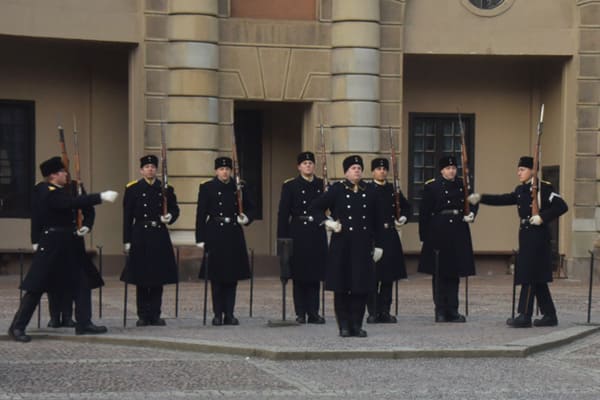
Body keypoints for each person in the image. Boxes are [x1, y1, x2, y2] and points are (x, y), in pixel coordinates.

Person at [8, 156, 117, 342]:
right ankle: (17, 327)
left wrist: (85, 224)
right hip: (53, 244)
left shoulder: (62, 190)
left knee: (81, 283)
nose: (66, 174)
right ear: (52, 175)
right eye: (62, 172)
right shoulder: (46, 191)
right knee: (36, 287)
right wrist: (100, 197)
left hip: (69, 243)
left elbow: (76, 206)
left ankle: (84, 323)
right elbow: (68, 204)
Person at [468, 156, 568, 328]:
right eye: (518, 169)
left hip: (538, 236)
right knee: (537, 278)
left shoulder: (544, 188)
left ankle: (524, 315)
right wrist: (481, 198)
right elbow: (504, 199)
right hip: (526, 235)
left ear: (532, 171)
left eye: (522, 169)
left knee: (529, 275)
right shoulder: (521, 190)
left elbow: (562, 206)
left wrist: (542, 217)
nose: (519, 173)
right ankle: (550, 315)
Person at [310, 155, 383, 338]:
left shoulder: (370, 191)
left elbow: (378, 220)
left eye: (359, 167)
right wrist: (328, 223)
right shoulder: (337, 190)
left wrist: (379, 245)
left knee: (360, 287)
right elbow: (315, 207)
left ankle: (357, 325)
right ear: (345, 172)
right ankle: (343, 325)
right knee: (342, 287)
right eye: (352, 168)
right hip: (342, 244)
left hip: (363, 244)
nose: (356, 170)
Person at [121, 155, 179, 327]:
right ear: (141, 170)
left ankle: (155, 313)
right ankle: (143, 315)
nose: (150, 169)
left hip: (158, 234)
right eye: (147, 167)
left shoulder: (165, 188)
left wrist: (171, 216)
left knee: (157, 277)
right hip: (140, 235)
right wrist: (127, 240)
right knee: (141, 278)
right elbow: (127, 217)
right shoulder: (133, 189)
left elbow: (175, 209)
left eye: (153, 167)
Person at [195, 157, 254, 326]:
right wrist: (200, 238)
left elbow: (251, 207)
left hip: (233, 232)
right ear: (216, 171)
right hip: (214, 233)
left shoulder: (239, 187)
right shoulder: (207, 187)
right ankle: (217, 314)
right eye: (221, 169)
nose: (225, 172)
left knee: (231, 276)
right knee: (216, 277)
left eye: (227, 169)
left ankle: (229, 313)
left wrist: (246, 218)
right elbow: (200, 214)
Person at [418, 155, 476, 323]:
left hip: (458, 229)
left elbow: (473, 200)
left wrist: (471, 213)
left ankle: (453, 310)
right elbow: (424, 213)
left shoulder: (462, 185)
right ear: (442, 170)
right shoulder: (432, 187)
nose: (451, 171)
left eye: (453, 168)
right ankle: (440, 310)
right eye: (448, 168)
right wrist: (424, 237)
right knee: (439, 273)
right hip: (438, 230)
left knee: (454, 273)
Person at [276, 151, 328, 324]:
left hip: (316, 231)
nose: (308, 166)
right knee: (298, 275)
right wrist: (282, 240)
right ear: (299, 167)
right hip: (297, 232)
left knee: (314, 275)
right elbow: (283, 214)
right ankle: (300, 312)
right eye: (304, 163)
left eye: (311, 163)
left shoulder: (322, 184)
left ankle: (313, 312)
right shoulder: (290, 186)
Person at [367, 158, 411, 324]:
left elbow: (406, 207)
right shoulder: (368, 189)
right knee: (372, 277)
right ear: (373, 172)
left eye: (384, 169)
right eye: (378, 169)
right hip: (374, 236)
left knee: (388, 277)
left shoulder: (393, 190)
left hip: (390, 235)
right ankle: (373, 311)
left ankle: (385, 311)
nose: (382, 171)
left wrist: (403, 218)